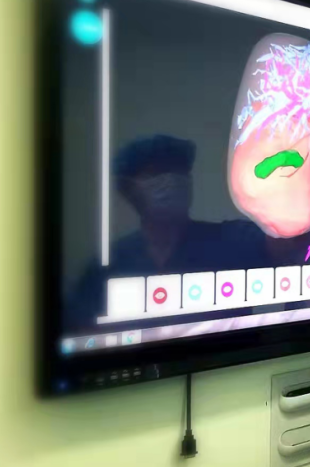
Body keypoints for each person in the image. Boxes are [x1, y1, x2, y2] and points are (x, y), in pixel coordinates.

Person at [67, 135, 267, 330]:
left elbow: (280, 244)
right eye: (156, 172)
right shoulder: (107, 265)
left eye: (180, 171)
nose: (172, 180)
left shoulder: (234, 239)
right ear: (128, 190)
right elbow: (80, 331)